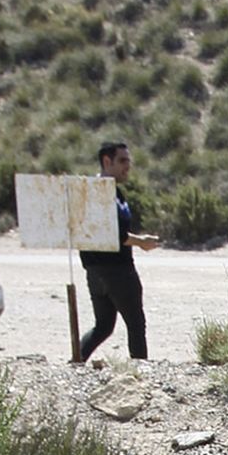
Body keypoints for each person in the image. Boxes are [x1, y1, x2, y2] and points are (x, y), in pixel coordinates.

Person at [77, 141, 159, 363]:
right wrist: (141, 242)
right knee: (135, 323)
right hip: (116, 271)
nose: (127, 167)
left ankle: (77, 360)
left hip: (97, 271)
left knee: (104, 326)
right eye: (122, 161)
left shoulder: (114, 193)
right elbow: (114, 234)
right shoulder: (97, 192)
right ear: (107, 161)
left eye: (128, 161)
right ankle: (141, 369)